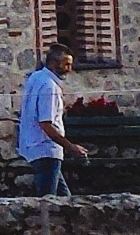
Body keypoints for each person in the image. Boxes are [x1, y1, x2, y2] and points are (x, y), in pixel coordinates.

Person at [17, 47, 90, 196]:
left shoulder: (35, 78)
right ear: (53, 63)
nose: (69, 69)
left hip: (34, 147)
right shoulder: (50, 87)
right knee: (48, 201)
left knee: (65, 200)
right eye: (66, 64)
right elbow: (46, 124)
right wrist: (71, 147)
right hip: (46, 150)